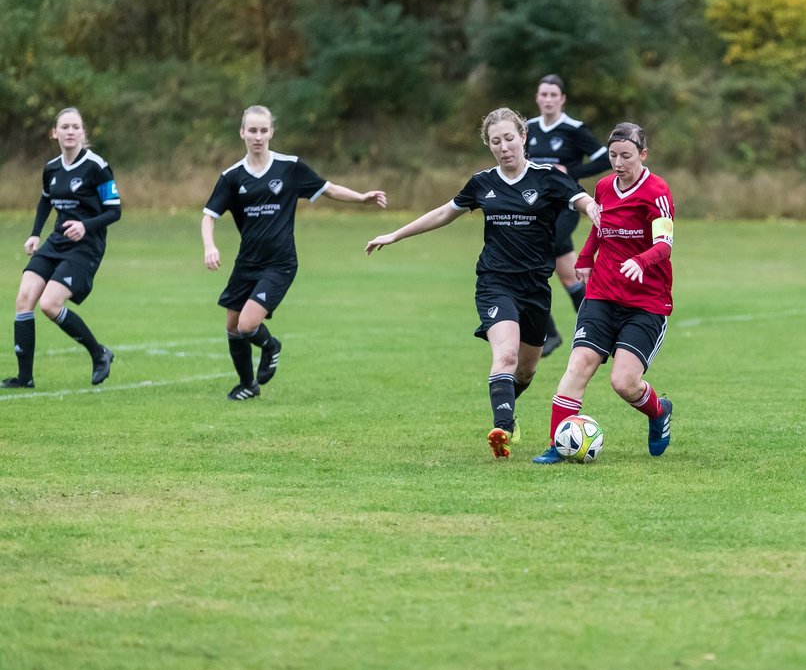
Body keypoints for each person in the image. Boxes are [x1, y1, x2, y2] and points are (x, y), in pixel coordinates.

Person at [364, 107, 601, 458]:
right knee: (504, 354)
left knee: (527, 368)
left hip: (535, 286)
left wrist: (593, 208)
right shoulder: (483, 183)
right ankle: (502, 429)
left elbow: (580, 198)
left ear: (523, 137)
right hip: (495, 282)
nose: (504, 147)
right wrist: (397, 234)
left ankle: (508, 408)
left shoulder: (547, 177)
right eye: (495, 141)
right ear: (489, 145)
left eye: (509, 138)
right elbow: (445, 212)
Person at [202, 105, 387, 401]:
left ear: (271, 132)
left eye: (264, 130)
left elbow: (328, 188)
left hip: (280, 263)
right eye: (252, 130)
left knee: (247, 325)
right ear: (242, 133)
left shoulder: (289, 167)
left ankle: (271, 346)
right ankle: (247, 385)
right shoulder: (232, 176)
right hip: (246, 262)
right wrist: (210, 245)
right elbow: (209, 215)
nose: (258, 136)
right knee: (232, 326)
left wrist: (361, 198)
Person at [534, 121, 675, 464]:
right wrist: (584, 258)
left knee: (624, 382)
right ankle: (557, 443)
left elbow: (664, 245)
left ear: (642, 154)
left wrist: (641, 262)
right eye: (613, 155)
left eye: (626, 156)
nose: (618, 163)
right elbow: (600, 228)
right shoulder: (603, 187)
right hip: (601, 294)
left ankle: (659, 412)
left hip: (646, 303)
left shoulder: (657, 191)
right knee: (580, 364)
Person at [3, 107, 120, 389]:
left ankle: (99, 352)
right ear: (55, 133)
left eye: (75, 127)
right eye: (64, 127)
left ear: (82, 133)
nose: (70, 132)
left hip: (86, 246)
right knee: (24, 299)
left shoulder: (96, 166)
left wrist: (85, 226)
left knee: (49, 304)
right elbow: (46, 201)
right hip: (56, 242)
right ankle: (24, 377)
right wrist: (34, 234)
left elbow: (115, 211)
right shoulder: (52, 168)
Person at [525, 75, 611, 357]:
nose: (548, 99)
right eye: (543, 94)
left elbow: (604, 157)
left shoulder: (574, 129)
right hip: (537, 211)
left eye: (553, 95)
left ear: (562, 99)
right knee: (568, 275)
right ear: (537, 98)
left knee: (531, 259)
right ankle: (599, 328)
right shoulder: (528, 129)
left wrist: (571, 173)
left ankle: (548, 332)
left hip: (566, 208)